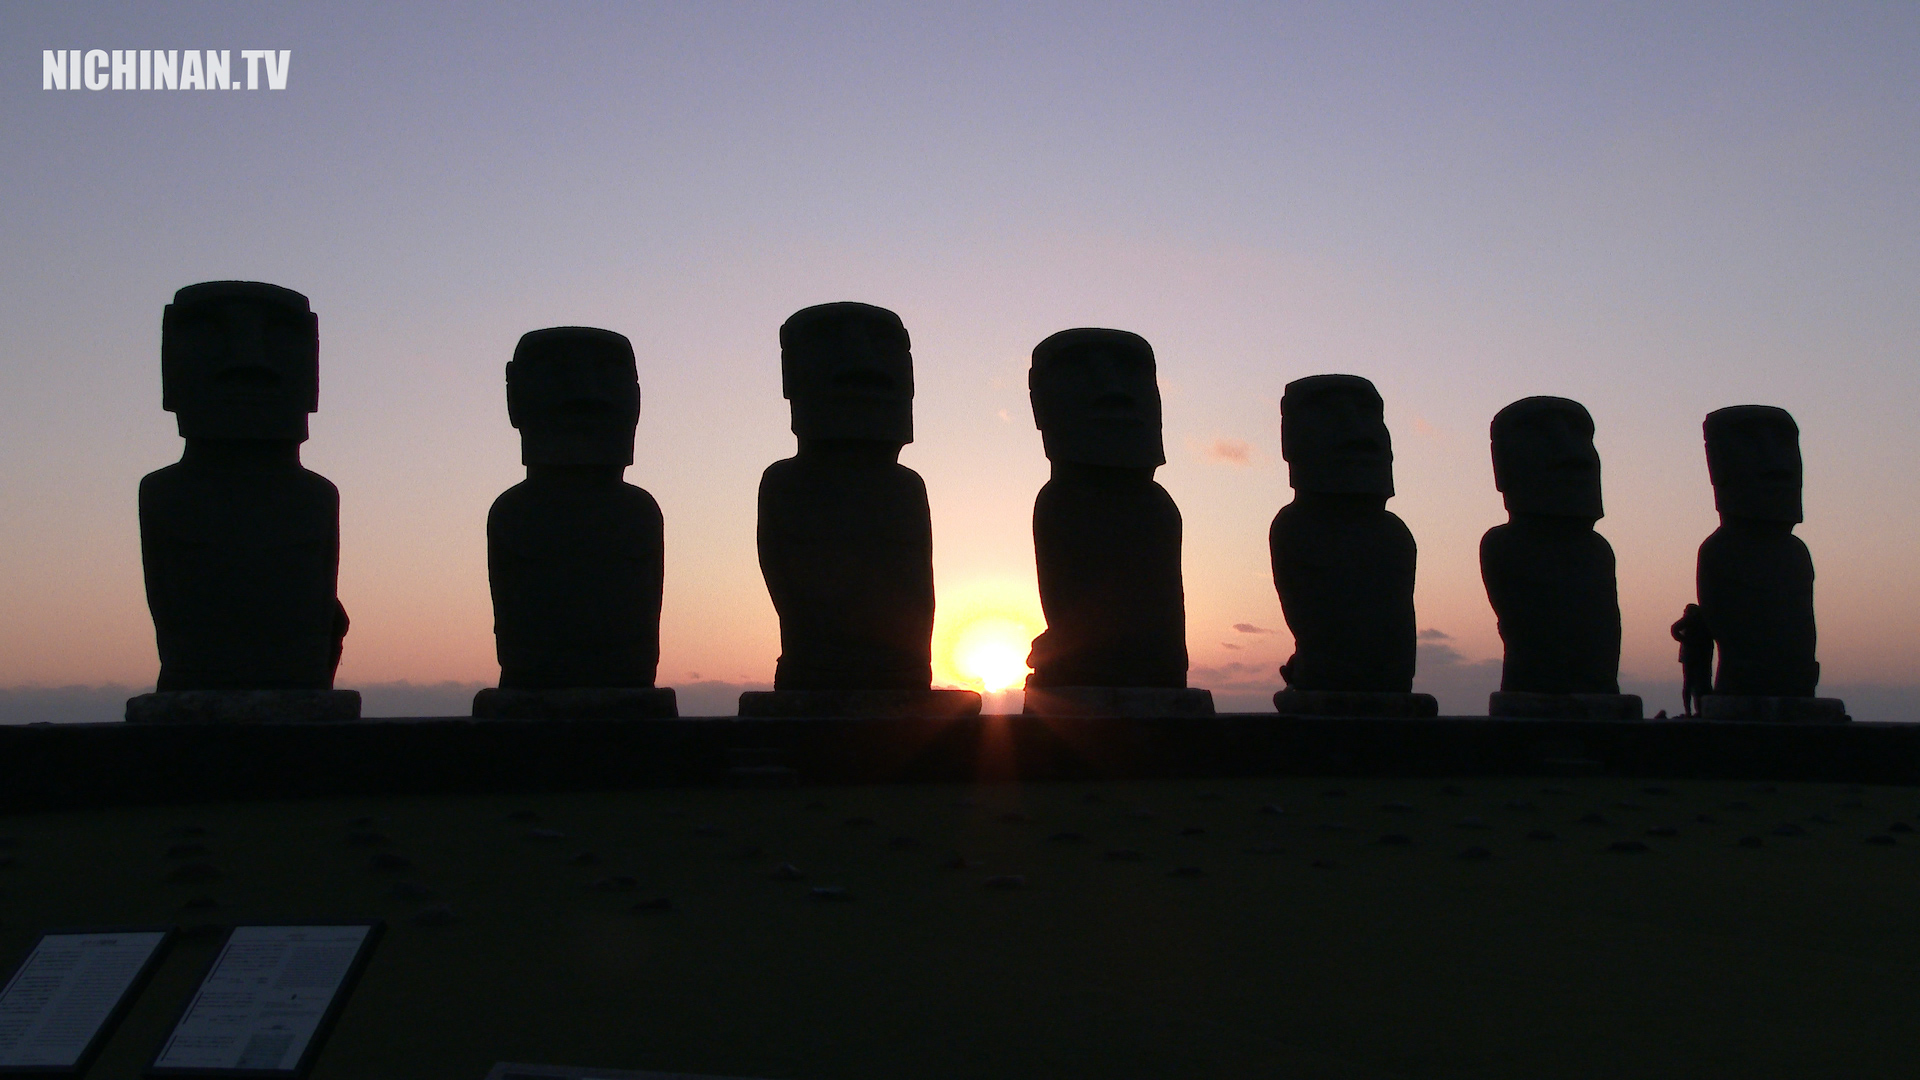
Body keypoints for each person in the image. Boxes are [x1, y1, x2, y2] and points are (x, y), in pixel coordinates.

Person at [1671, 604, 1714, 717]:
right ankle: (1691, 711)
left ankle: (1698, 710)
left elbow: (1675, 629)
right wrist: (1685, 641)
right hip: (1693, 656)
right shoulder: (1694, 619)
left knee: (1697, 683)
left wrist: (1685, 641)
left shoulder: (1699, 619)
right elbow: (1675, 629)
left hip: (1699, 656)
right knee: (1692, 683)